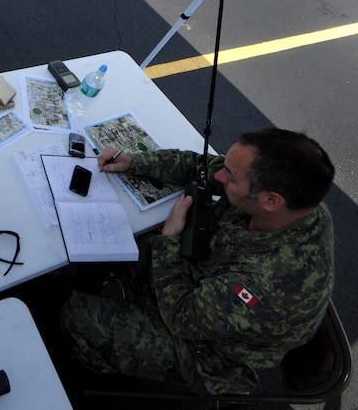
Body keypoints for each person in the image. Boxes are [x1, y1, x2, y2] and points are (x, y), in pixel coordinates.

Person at [58, 128, 335, 395]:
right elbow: (202, 169)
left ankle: (95, 363)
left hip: (210, 351)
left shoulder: (267, 285)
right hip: (206, 280)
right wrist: (134, 161)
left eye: (231, 177)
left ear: (271, 201)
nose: (219, 176)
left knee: (78, 316)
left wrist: (169, 241)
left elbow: (181, 315)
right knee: (115, 238)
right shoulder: (292, 197)